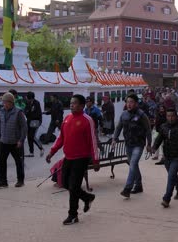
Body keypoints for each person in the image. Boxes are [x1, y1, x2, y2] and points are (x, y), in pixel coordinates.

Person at [46, 94, 99, 225]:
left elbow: (93, 141)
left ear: (82, 106)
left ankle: (73, 215)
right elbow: (61, 138)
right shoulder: (67, 118)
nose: (71, 105)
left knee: (74, 186)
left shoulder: (87, 120)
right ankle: (87, 197)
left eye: (74, 103)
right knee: (64, 183)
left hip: (81, 159)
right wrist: (51, 152)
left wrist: (95, 160)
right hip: (68, 157)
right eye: (70, 103)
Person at [112, 94, 152, 198]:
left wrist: (149, 144)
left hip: (139, 144)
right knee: (133, 164)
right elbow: (118, 127)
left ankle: (127, 188)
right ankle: (138, 185)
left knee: (133, 163)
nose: (129, 104)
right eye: (127, 102)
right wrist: (114, 139)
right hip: (128, 143)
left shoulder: (142, 115)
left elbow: (148, 130)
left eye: (131, 102)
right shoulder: (124, 114)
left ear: (136, 103)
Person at [0, 92, 27, 188]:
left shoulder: (18, 112)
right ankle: (3, 181)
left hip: (16, 142)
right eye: (3, 102)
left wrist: (21, 140)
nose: (4, 104)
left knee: (19, 162)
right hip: (3, 141)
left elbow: (24, 127)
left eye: (5, 102)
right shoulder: (0, 111)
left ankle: (20, 181)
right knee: (1, 161)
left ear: (11, 102)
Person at [24, 92, 44, 157]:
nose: (26, 98)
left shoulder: (36, 103)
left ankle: (41, 148)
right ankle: (31, 152)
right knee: (29, 136)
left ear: (31, 98)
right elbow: (26, 111)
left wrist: (29, 113)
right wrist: (29, 113)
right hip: (29, 121)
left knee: (32, 136)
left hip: (36, 121)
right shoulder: (27, 103)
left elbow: (37, 114)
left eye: (27, 97)